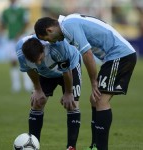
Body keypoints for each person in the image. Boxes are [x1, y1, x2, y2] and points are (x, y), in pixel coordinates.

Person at [34, 13, 137, 150]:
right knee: (95, 100)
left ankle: (100, 147)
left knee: (100, 100)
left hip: (120, 54)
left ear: (49, 30)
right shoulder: (69, 22)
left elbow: (87, 53)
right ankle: (94, 146)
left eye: (47, 39)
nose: (50, 42)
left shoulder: (68, 26)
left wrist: (94, 82)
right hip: (114, 57)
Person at [16, 34, 82, 150]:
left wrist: (68, 93)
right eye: (34, 61)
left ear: (43, 49)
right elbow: (29, 69)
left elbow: (66, 72)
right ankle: (33, 145)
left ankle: (71, 147)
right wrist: (37, 89)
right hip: (47, 72)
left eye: (40, 59)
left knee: (72, 105)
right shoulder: (21, 52)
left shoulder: (57, 47)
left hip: (70, 68)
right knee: (37, 103)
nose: (38, 63)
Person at [0, 0, 32, 92]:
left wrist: (20, 33)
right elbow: (3, 23)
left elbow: (26, 23)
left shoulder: (22, 10)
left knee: (24, 60)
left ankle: (27, 84)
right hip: (10, 39)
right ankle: (16, 85)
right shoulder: (6, 11)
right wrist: (1, 33)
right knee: (13, 61)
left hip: (21, 38)